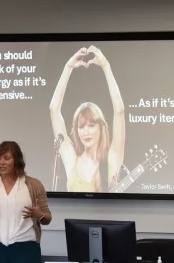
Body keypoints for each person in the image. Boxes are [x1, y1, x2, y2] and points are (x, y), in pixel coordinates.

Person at [49, 45, 126, 193]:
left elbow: (120, 111)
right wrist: (68, 67)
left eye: (91, 125)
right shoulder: (71, 159)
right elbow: (54, 109)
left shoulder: (112, 158)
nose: (86, 132)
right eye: (81, 126)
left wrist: (106, 66)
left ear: (101, 127)